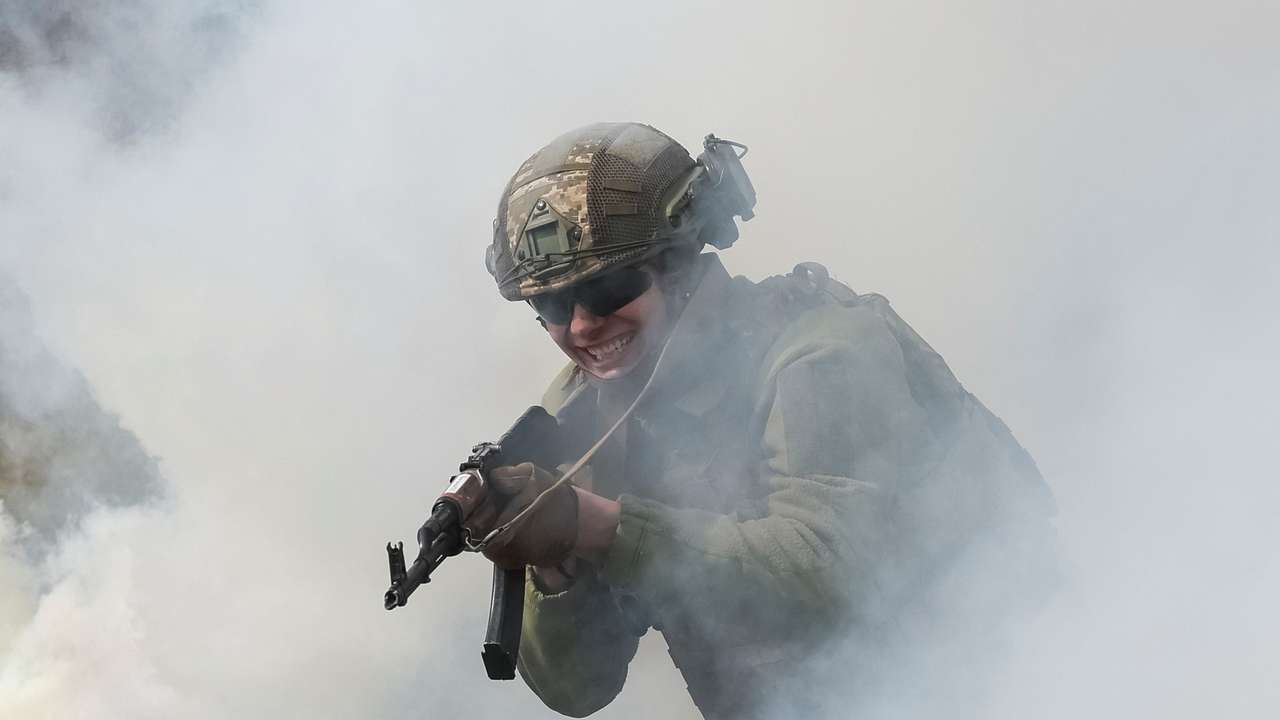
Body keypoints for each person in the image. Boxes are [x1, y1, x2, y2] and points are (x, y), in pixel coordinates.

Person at [464, 123, 1056, 719]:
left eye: (608, 288)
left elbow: (840, 578)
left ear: (676, 266)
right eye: (551, 304)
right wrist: (553, 562)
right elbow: (578, 688)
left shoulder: (821, 352)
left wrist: (596, 526)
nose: (582, 326)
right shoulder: (587, 414)